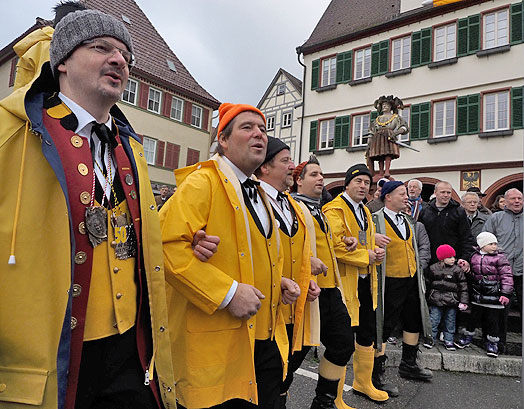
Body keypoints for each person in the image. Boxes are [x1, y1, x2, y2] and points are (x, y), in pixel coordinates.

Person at [0, 8, 185, 409]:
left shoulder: (129, 147)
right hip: (49, 358)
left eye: (125, 55)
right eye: (101, 47)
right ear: (62, 61)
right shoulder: (9, 130)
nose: (119, 59)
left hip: (129, 352)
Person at [160, 103, 301, 409]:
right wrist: (227, 293)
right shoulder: (202, 183)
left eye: (263, 129)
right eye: (247, 127)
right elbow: (167, 247)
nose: (259, 135)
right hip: (217, 346)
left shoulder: (259, 192)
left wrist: (280, 281)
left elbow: (248, 255)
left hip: (262, 342)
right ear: (222, 140)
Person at [255, 137, 322, 408]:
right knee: (267, 377)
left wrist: (309, 279)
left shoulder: (294, 205)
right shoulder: (254, 201)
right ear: (264, 168)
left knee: (286, 373)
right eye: (285, 161)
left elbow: (301, 251)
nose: (292, 166)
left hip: (297, 306)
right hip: (267, 311)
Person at [291, 156, 357, 409]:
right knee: (295, 354)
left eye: (322, 175)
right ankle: (278, 398)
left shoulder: (318, 208)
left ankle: (323, 401)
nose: (321, 179)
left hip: (329, 289)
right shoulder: (293, 207)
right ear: (299, 181)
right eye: (314, 174)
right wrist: (308, 261)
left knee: (342, 343)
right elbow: (285, 247)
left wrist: (345, 242)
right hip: (306, 291)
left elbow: (324, 243)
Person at [323, 164, 390, 403]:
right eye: (358, 181)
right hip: (344, 284)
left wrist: (374, 249)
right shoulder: (335, 210)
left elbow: (362, 239)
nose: (363, 186)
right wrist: (366, 255)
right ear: (347, 183)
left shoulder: (363, 211)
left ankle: (363, 382)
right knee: (342, 340)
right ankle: (336, 397)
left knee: (366, 333)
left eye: (367, 183)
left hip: (364, 282)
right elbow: (335, 244)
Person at [372, 181, 433, 394]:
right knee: (385, 324)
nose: (406, 197)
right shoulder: (375, 219)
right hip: (390, 280)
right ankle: (375, 372)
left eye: (406, 193)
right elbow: (357, 238)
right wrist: (371, 237)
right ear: (388, 196)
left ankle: (409, 364)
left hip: (411, 278)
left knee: (413, 319)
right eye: (401, 193)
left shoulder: (407, 219)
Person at [455, 232, 513, 358]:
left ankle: (492, 343)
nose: (494, 246)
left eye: (495, 244)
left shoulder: (500, 258)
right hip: (478, 294)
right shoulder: (474, 256)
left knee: (493, 320)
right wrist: (467, 268)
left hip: (494, 296)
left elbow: (506, 276)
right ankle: (467, 336)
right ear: (482, 245)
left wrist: (505, 293)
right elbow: (473, 274)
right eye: (491, 244)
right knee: (473, 318)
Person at [483, 188, 523, 351]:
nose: (517, 201)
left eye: (519, 198)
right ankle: (498, 342)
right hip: (500, 272)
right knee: (500, 310)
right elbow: (484, 240)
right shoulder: (495, 218)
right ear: (505, 202)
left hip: (522, 269)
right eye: (513, 199)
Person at [419, 181, 475, 268]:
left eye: (448, 192)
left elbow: (467, 237)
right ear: (435, 192)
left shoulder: (458, 211)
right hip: (430, 260)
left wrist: (465, 258)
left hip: (453, 261)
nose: (446, 195)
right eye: (442, 192)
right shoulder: (425, 211)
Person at [424, 245, 469, 350]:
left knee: (450, 321)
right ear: (442, 258)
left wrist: (463, 301)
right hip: (436, 300)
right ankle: (430, 339)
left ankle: (449, 340)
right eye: (450, 257)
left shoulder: (457, 270)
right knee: (433, 320)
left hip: (452, 301)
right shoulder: (433, 268)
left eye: (454, 257)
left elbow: (463, 287)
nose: (453, 259)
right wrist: (427, 297)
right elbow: (427, 284)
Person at [366, 95, 409, 178]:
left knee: (387, 154)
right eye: (383, 105)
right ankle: (381, 171)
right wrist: (369, 142)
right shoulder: (378, 119)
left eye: (386, 105)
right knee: (379, 155)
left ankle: (387, 171)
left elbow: (404, 127)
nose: (384, 106)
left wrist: (396, 133)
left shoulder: (395, 117)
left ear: (391, 107)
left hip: (390, 136)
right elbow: (372, 131)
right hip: (378, 138)